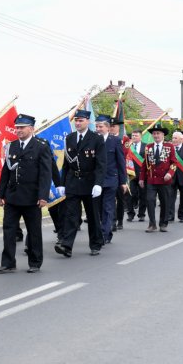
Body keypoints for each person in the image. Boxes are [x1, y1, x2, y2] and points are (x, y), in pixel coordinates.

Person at [0, 114, 53, 270]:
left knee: (34, 231)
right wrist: (1, 194)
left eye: (22, 127)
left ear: (31, 128)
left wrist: (43, 196)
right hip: (12, 196)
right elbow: (6, 172)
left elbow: (45, 174)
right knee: (8, 230)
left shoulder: (41, 146)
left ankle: (35, 262)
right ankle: (8, 263)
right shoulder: (11, 146)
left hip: (32, 196)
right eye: (17, 127)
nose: (19, 130)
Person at [55, 109, 104, 257]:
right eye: (76, 120)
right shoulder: (69, 138)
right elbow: (65, 164)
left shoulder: (96, 139)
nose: (77, 123)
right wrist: (62, 183)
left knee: (92, 215)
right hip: (73, 182)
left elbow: (101, 164)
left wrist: (98, 183)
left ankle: (95, 244)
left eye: (81, 120)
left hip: (90, 182)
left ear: (87, 122)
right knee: (71, 215)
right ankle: (67, 245)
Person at [94, 115, 127, 244]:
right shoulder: (93, 140)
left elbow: (121, 162)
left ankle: (103, 233)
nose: (98, 129)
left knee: (107, 208)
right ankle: (107, 231)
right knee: (98, 209)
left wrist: (123, 181)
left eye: (100, 126)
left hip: (110, 180)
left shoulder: (115, 141)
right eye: (96, 126)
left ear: (107, 127)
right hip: (96, 181)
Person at [140, 124, 176, 231]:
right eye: (154, 133)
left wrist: (170, 173)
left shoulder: (169, 146)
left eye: (158, 133)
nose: (156, 135)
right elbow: (144, 164)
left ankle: (163, 223)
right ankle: (152, 224)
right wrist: (142, 178)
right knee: (150, 200)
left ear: (163, 135)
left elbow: (174, 163)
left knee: (164, 202)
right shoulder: (148, 147)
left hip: (164, 180)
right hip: (151, 179)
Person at [124, 129, 147, 221]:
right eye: (133, 135)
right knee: (130, 194)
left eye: (136, 136)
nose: (134, 137)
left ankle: (141, 214)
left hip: (142, 174)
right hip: (130, 174)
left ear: (141, 137)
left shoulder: (146, 146)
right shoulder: (127, 146)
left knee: (143, 195)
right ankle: (130, 213)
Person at [110, 119, 128, 230]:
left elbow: (124, 156)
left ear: (118, 127)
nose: (112, 128)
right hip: (108, 174)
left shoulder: (124, 139)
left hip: (118, 172)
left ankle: (120, 219)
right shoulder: (104, 138)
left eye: (114, 126)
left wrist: (123, 179)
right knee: (109, 199)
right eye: (110, 126)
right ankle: (112, 220)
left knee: (120, 198)